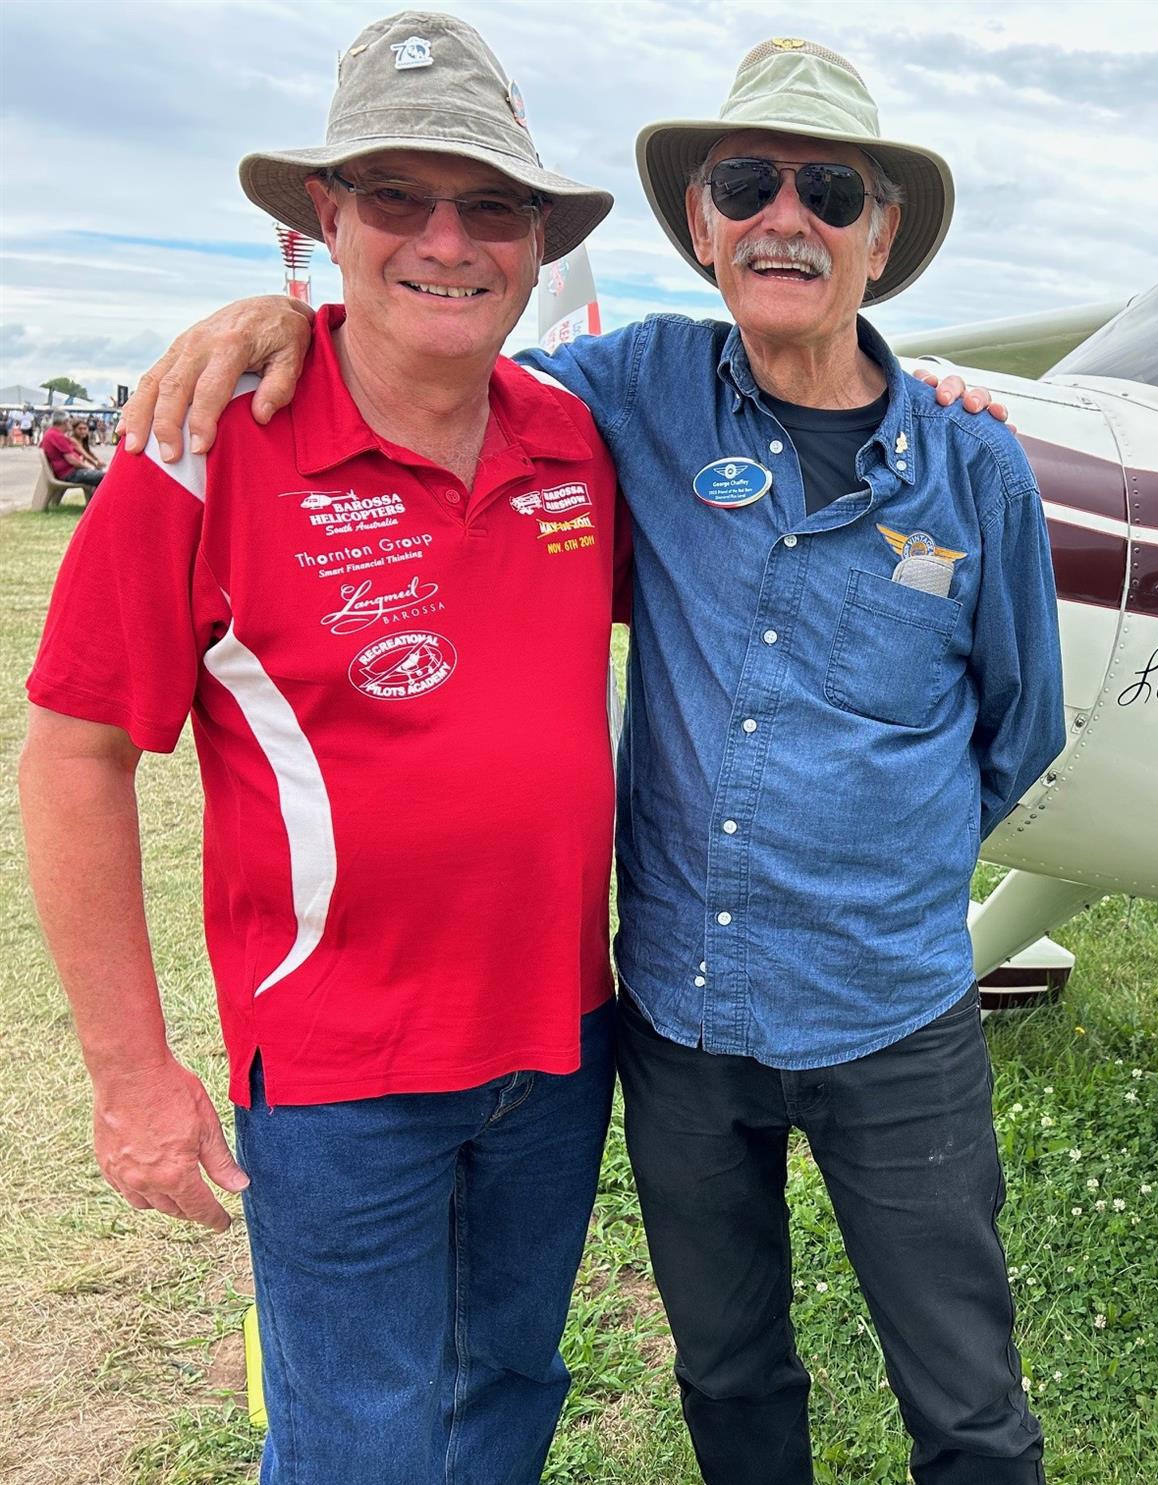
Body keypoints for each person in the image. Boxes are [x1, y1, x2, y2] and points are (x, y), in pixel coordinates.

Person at [126, 35, 1064, 1485]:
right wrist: (278, 319)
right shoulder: (627, 392)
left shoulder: (972, 463)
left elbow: (1019, 726)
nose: (786, 218)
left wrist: (883, 853)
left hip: (892, 1012)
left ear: (882, 237)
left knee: (967, 1394)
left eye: (830, 192)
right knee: (728, 1369)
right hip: (684, 1018)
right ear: (702, 224)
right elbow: (430, 343)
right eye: (746, 185)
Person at [20, 14, 625, 1483]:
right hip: (344, 1078)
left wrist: (936, 400)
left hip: (561, 1044)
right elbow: (75, 755)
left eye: (490, 206)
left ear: (536, 243)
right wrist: (130, 1074)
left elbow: (782, 395)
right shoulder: (200, 449)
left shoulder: (576, 439)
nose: (446, 240)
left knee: (510, 1387)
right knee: (359, 1440)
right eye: (396, 196)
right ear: (326, 217)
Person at [39, 414, 104, 497]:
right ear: (65, 422)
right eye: (69, 421)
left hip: (66, 472)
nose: (70, 424)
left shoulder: (51, 433)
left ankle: (97, 501)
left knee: (100, 475)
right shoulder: (58, 436)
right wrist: (90, 468)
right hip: (69, 473)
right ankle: (100, 503)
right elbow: (72, 460)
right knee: (105, 477)